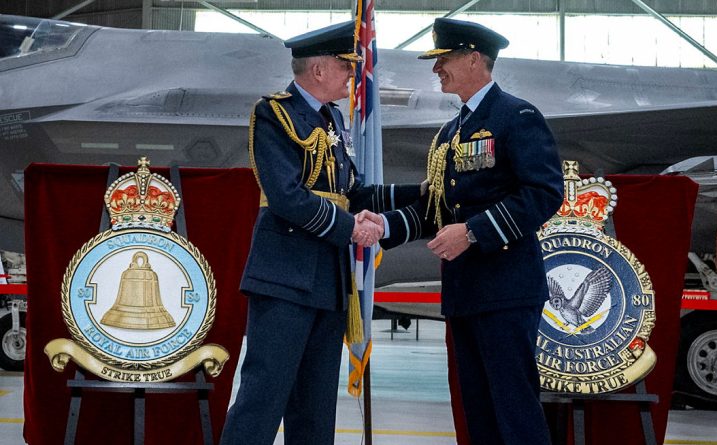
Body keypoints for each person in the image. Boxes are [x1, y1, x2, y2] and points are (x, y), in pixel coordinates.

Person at [220, 21, 424, 445]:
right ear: (318, 70)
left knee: (314, 406)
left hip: (329, 281)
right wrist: (352, 229)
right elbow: (287, 198)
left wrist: (418, 192)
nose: (352, 75)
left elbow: (352, 192)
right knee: (264, 397)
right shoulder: (274, 114)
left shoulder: (332, 118)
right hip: (285, 278)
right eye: (345, 66)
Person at [366, 17, 564, 445]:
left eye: (444, 59)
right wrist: (382, 224)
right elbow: (436, 208)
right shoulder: (451, 133)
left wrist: (473, 232)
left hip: (507, 289)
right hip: (465, 292)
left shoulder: (517, 116)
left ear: (475, 59)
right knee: (478, 410)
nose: (436, 69)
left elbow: (544, 194)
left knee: (514, 408)